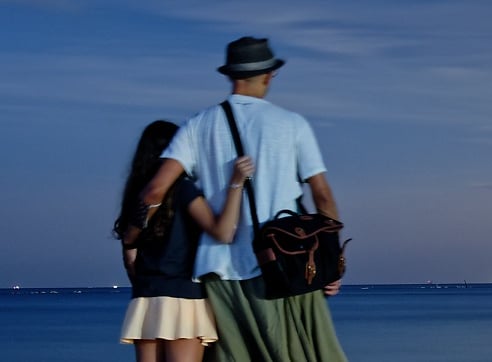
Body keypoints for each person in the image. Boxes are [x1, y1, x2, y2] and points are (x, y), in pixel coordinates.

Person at [140, 37, 347, 362]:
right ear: (269, 75)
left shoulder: (197, 126)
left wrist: (136, 238)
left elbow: (155, 191)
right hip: (281, 264)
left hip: (217, 271)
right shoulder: (292, 125)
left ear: (231, 75)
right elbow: (322, 196)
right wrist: (331, 264)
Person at [114, 120, 255, 362]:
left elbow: (130, 256)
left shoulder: (138, 194)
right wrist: (236, 183)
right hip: (184, 296)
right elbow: (222, 231)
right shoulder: (184, 189)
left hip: (146, 298)